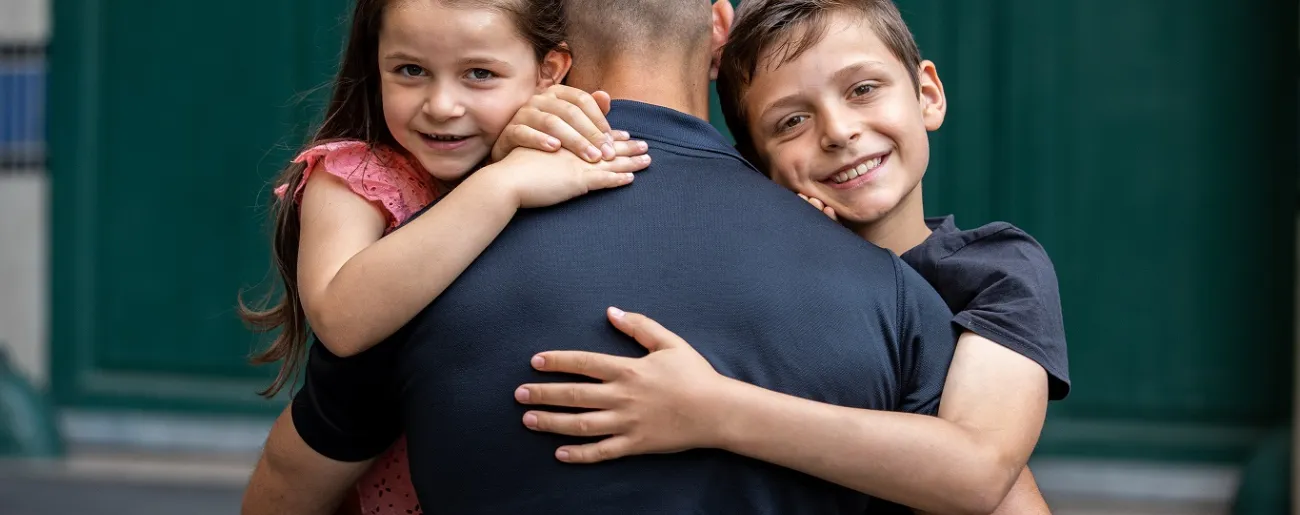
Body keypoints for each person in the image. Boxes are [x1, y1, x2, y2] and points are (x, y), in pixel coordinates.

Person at [240, 0, 962, 513]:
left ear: (549, 57)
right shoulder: (889, 291)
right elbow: (982, 487)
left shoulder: (422, 261)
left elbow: (292, 479)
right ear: (720, 28)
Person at [509, 0, 1069, 513]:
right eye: (791, 121)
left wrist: (712, 411)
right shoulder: (748, 252)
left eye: (863, 89)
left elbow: (975, 471)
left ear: (927, 94)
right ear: (752, 163)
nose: (839, 131)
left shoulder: (995, 269)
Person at [235, 0, 651, 513]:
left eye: (479, 74)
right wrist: (501, 186)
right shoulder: (356, 176)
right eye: (410, 70)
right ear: (377, 61)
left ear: (549, 71)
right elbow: (342, 320)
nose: (441, 105)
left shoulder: (548, 157)